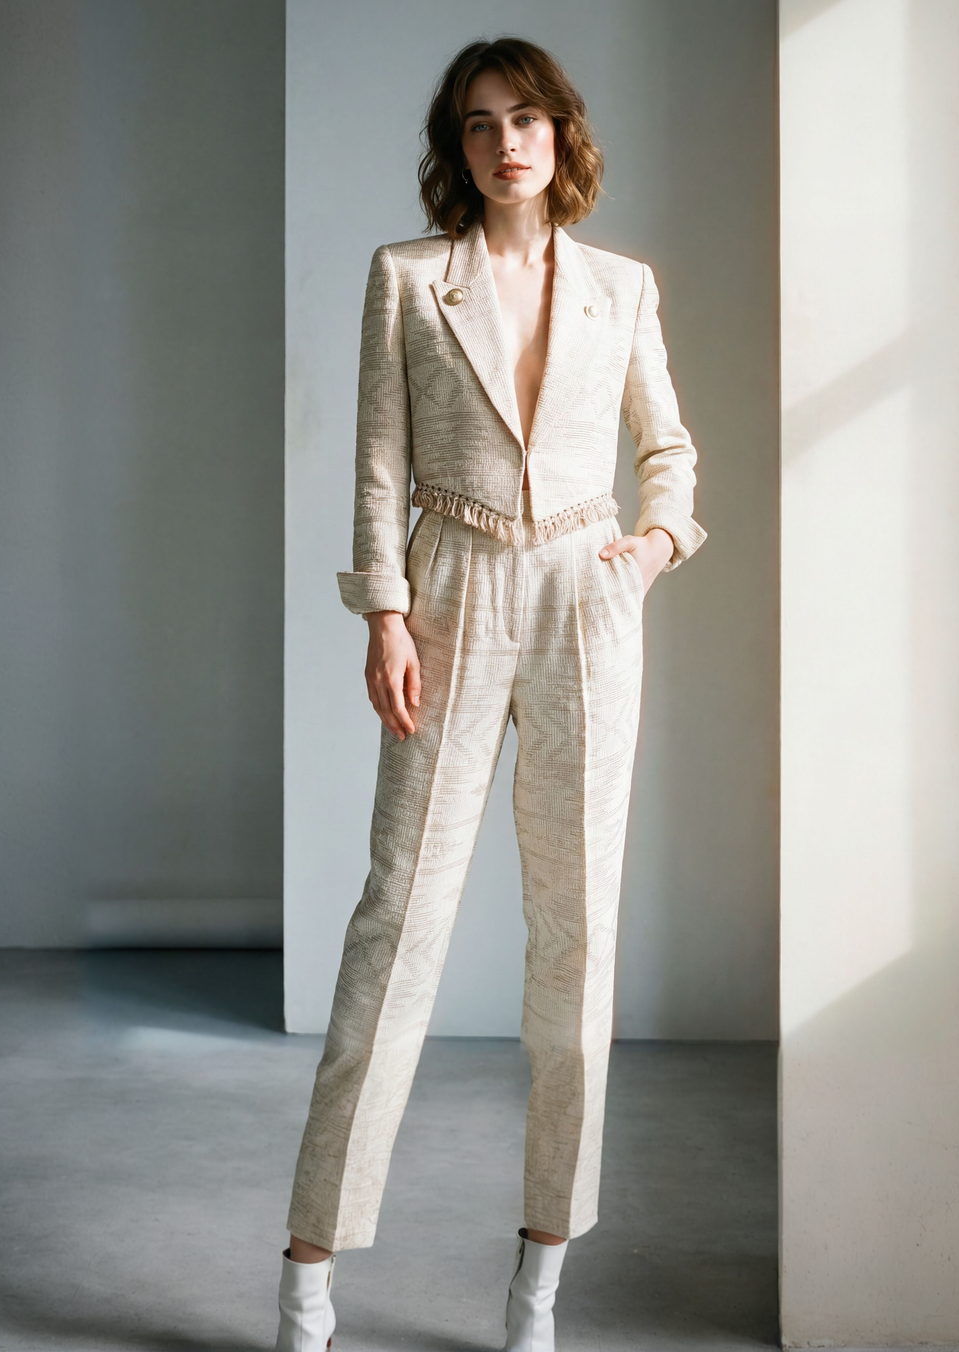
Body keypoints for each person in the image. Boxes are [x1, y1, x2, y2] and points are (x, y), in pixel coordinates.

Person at [274, 34, 707, 1352]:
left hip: (586, 596)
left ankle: (539, 1287)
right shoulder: (408, 281)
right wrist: (386, 613)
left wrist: (656, 542)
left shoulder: (621, 289)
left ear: (561, 134)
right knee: (396, 924)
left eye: (527, 118)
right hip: (451, 586)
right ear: (456, 150)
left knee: (576, 945)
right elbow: (377, 463)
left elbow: (670, 449)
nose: (507, 141)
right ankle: (306, 1276)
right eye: (479, 124)